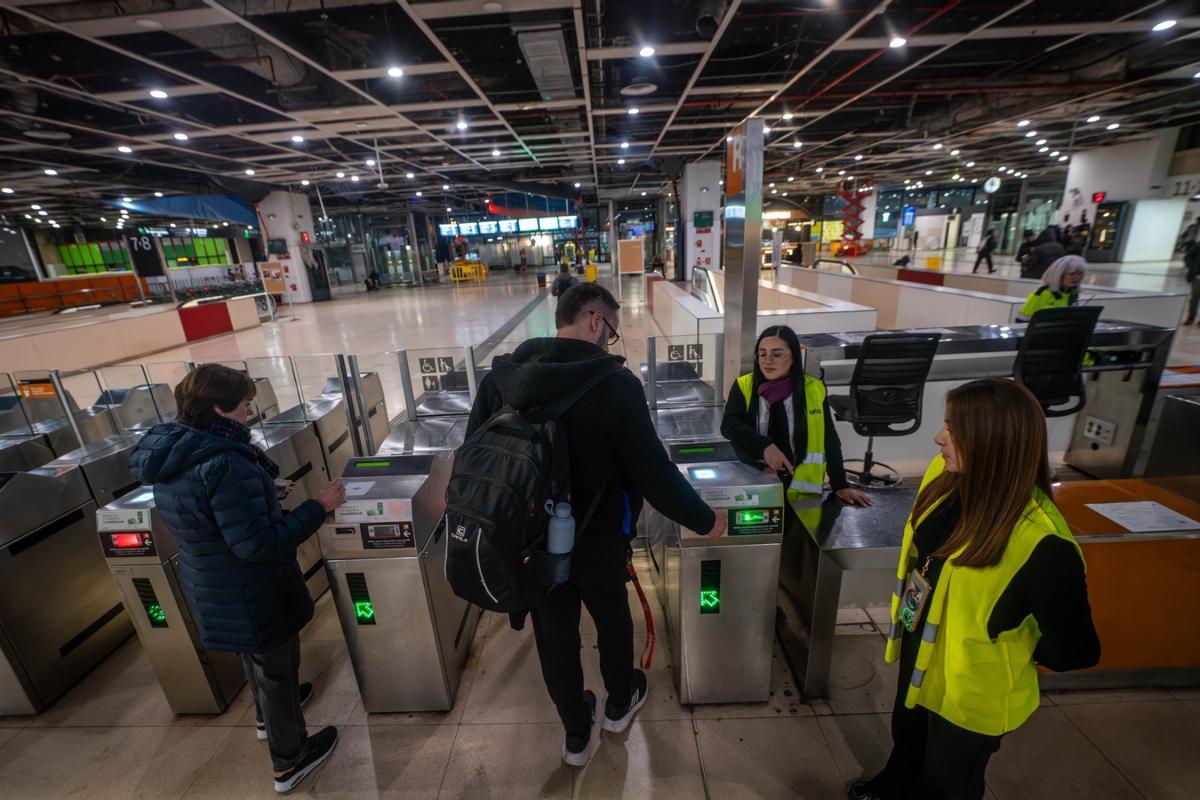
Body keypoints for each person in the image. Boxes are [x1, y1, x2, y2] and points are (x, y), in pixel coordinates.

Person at [465, 283, 724, 767]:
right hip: (598, 540)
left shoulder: (501, 379)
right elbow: (654, 474)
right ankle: (620, 703)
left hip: (529, 546)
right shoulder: (615, 385)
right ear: (594, 320)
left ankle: (575, 734)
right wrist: (705, 519)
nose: (611, 342)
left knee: (554, 634)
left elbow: (474, 457)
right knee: (611, 619)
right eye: (613, 331)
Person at [848, 378, 1099, 800]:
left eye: (953, 428)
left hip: (969, 694)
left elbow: (1076, 650)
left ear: (994, 442)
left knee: (947, 784)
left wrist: (1006, 646)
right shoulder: (946, 473)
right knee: (908, 735)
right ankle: (895, 783)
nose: (938, 438)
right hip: (921, 653)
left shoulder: (1040, 543)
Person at [129, 364, 346, 794]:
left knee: (256, 657)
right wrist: (319, 506)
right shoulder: (227, 462)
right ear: (218, 408)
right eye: (244, 400)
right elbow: (258, 545)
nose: (251, 405)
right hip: (253, 588)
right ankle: (290, 760)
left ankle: (267, 718)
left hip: (213, 582)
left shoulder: (178, 450)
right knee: (278, 667)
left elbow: (208, 511)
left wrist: (264, 491)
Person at [721, 325, 872, 516]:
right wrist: (765, 447)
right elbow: (730, 426)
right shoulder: (744, 386)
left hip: (803, 496)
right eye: (762, 354)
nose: (767, 361)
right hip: (758, 486)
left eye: (777, 354)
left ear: (793, 356)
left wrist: (840, 484)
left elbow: (829, 439)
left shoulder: (813, 389)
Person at [1018, 255, 1085, 320]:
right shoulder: (1042, 294)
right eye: (1072, 274)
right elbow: (1022, 320)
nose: (1077, 277)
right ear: (1059, 275)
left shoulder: (1073, 293)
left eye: (1080, 273)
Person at [1184, 238, 1200, 325]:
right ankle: (1191, 318)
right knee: (1194, 299)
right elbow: (1187, 257)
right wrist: (1192, 268)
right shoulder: (1198, 245)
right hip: (1197, 277)